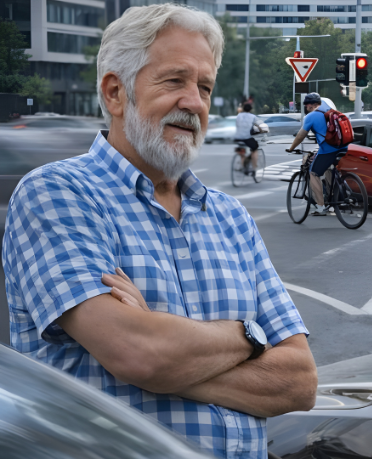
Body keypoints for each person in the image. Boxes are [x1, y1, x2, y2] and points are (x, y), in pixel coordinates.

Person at [1, 5, 317, 458]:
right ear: (115, 92)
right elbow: (140, 354)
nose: (194, 103)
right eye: (175, 81)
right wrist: (251, 336)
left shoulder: (229, 216)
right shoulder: (59, 193)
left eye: (204, 87)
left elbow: (299, 382)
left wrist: (166, 358)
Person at [286, 93, 345, 216]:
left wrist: (291, 148)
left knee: (313, 173)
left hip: (329, 150)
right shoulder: (333, 112)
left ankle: (320, 205)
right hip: (344, 148)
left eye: (306, 104)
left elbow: (300, 136)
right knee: (330, 169)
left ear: (311, 105)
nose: (305, 106)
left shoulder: (310, 116)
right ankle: (334, 200)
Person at [234, 102, 262, 174]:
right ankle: (254, 168)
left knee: (242, 151)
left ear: (243, 108)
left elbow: (237, 125)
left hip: (237, 137)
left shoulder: (239, 116)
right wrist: (261, 131)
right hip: (246, 137)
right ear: (251, 109)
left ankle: (243, 167)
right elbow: (259, 126)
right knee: (255, 148)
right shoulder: (253, 117)